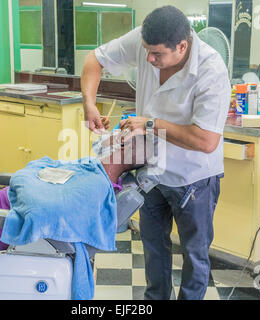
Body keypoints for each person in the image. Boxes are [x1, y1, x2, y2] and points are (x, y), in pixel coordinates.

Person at [81, 6, 231, 300]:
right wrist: (89, 103)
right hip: (153, 172)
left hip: (195, 179)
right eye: (146, 51)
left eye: (157, 55)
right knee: (153, 249)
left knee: (194, 255)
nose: (148, 59)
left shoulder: (211, 72)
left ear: (182, 47)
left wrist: (151, 123)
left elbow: (205, 140)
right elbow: (94, 59)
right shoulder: (145, 41)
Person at [0, 128, 143, 252]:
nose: (112, 130)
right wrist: (30, 177)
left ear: (122, 145)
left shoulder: (96, 188)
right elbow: (40, 173)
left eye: (119, 130)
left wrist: (26, 179)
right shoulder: (92, 168)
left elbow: (42, 210)